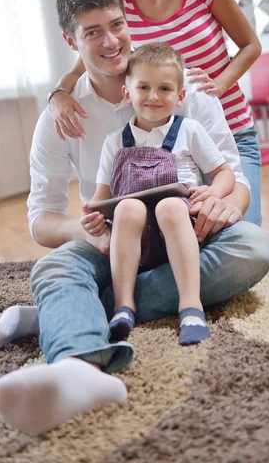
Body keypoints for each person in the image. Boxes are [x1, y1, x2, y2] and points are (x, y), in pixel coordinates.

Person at [0, 0, 269, 436]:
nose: (110, 41)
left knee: (252, 249)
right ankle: (80, 366)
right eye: (92, 32)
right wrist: (81, 230)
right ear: (71, 40)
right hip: (114, 239)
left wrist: (228, 205)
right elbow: (41, 219)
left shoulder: (180, 87)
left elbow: (233, 178)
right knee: (54, 269)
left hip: (183, 234)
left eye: (117, 24)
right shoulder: (59, 118)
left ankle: (67, 313)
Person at [48, 0, 263, 226]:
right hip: (170, 142)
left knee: (238, 230)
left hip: (231, 131)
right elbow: (83, 64)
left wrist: (216, 87)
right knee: (172, 233)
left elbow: (251, 45)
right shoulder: (118, 9)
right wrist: (58, 94)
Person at [83, 42, 236, 346]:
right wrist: (93, 221)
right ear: (128, 93)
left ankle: (191, 308)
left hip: (183, 230)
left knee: (170, 206)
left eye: (165, 89)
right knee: (128, 209)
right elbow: (99, 200)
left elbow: (225, 173)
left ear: (180, 97)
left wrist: (213, 193)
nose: (154, 96)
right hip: (134, 242)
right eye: (143, 87)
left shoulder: (189, 130)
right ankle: (123, 307)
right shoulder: (115, 142)